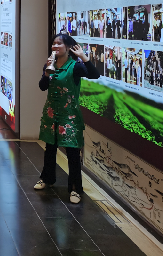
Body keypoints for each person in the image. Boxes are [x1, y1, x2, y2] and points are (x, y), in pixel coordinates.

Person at [33, 33, 100, 204]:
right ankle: (47, 178)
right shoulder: (50, 64)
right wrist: (46, 73)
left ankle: (76, 189)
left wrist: (84, 57)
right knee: (50, 148)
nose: (55, 46)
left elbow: (94, 75)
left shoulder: (75, 66)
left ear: (68, 47)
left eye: (59, 44)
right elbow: (42, 87)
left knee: (72, 153)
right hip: (51, 114)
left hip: (69, 115)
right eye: (53, 44)